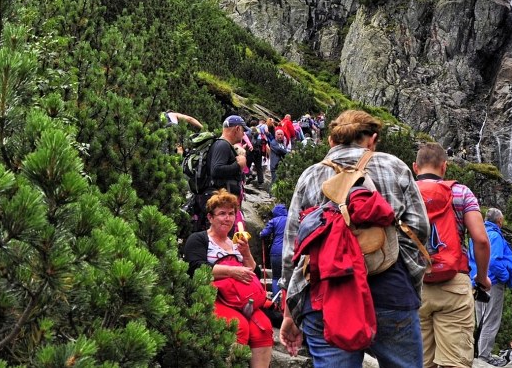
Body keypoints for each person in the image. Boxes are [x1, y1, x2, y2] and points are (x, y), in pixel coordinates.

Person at [279, 109, 430, 368]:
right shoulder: (394, 166)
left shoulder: (310, 175)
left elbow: (294, 247)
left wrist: (290, 311)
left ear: (331, 141)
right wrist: (402, 272)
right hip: (391, 291)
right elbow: (419, 228)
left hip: (325, 296)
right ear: (372, 139)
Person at [413, 142, 491, 368]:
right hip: (454, 281)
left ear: (415, 167)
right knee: (455, 363)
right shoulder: (461, 192)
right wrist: (482, 278)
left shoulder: (404, 191)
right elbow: (481, 240)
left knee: (420, 362)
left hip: (413, 284)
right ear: (444, 167)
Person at [183, 190, 274, 368]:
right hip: (214, 297)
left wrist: (246, 253)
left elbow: (252, 271)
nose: (227, 218)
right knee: (238, 326)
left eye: (231, 213)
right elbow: (195, 268)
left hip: (242, 299)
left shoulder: (235, 243)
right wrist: (231, 271)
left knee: (264, 328)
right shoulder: (199, 239)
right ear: (210, 217)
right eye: (222, 213)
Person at [472, 207, 512, 362]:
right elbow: (493, 261)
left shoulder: (477, 233)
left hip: (476, 281)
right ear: (499, 221)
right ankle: (484, 357)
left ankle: (479, 353)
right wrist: (505, 277)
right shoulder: (495, 235)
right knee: (491, 321)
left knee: (481, 319)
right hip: (492, 282)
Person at [259, 203, 288, 296]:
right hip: (290, 251)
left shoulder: (274, 221)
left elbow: (264, 233)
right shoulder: (292, 220)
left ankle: (276, 301)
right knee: (288, 276)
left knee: (276, 277)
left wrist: (261, 233)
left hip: (276, 252)